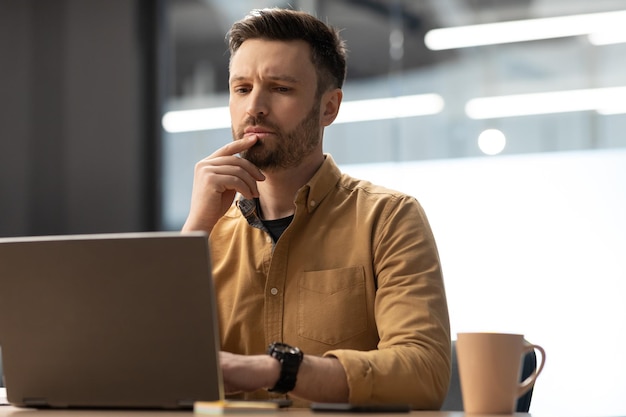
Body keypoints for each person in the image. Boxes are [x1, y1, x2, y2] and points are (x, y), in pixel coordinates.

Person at [182, 7, 451, 409]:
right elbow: (139, 366)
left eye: (280, 88)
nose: (254, 106)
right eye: (241, 88)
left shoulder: (389, 218)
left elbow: (423, 371)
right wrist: (196, 231)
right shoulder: (205, 232)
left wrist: (278, 370)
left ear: (329, 107)